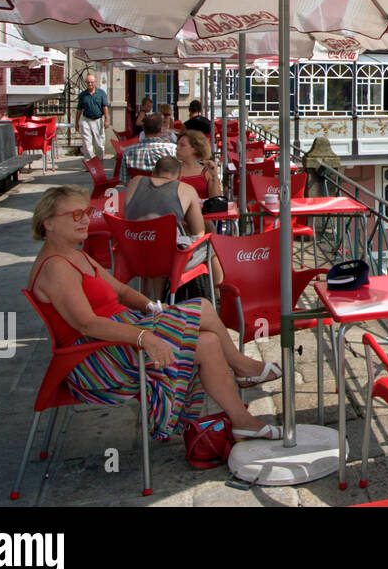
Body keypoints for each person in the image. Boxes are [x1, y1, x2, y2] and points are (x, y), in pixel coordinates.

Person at [27, 185, 281, 442]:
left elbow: (123, 292)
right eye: (75, 215)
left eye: (87, 212)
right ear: (48, 223)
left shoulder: (75, 255)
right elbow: (87, 325)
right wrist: (144, 337)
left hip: (118, 338)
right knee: (203, 309)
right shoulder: (56, 267)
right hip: (96, 359)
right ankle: (242, 369)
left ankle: (242, 419)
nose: (85, 220)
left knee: (209, 341)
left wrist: (153, 308)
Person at [123, 154, 225, 297]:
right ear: (179, 177)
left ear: (153, 173)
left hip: (132, 254)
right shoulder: (186, 189)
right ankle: (220, 296)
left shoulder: (135, 182)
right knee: (212, 244)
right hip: (167, 261)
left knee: (157, 242)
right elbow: (199, 233)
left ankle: (149, 301)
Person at [121, 113, 178, 183]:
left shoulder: (128, 152)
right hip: (164, 190)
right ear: (160, 130)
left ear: (143, 129)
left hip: (139, 191)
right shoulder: (172, 149)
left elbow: (124, 180)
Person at [176, 129, 222, 199]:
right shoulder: (173, 170)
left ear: (195, 149)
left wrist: (214, 176)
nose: (177, 148)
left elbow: (216, 200)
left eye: (182, 145)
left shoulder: (207, 172)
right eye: (177, 144)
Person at [75, 73, 109, 161]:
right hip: (86, 119)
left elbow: (105, 107)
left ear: (95, 82)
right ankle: (90, 162)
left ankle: (99, 161)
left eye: (91, 82)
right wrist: (76, 123)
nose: (90, 84)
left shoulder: (101, 93)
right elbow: (79, 109)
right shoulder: (83, 95)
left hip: (98, 120)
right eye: (88, 82)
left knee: (99, 144)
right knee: (87, 143)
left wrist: (106, 120)